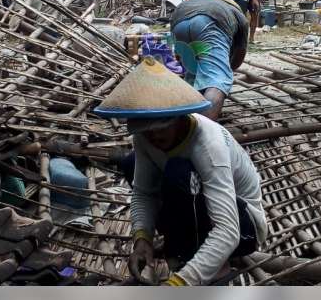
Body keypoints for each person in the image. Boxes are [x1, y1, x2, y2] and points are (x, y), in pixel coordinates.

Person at [94, 57, 267, 286]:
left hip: (243, 228)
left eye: (161, 127)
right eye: (147, 130)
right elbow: (143, 192)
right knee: (131, 162)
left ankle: (211, 266)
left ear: (179, 118)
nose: (153, 136)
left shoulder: (208, 145)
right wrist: (142, 238)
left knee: (179, 171)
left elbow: (228, 230)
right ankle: (180, 246)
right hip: (196, 212)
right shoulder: (144, 137)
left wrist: (180, 283)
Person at [170, 0, 249, 120]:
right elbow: (240, 54)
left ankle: (185, 119)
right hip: (209, 22)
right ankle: (201, 131)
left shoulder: (198, 2)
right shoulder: (237, 14)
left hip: (179, 20)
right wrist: (225, 72)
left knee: (192, 77)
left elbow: (179, 56)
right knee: (217, 79)